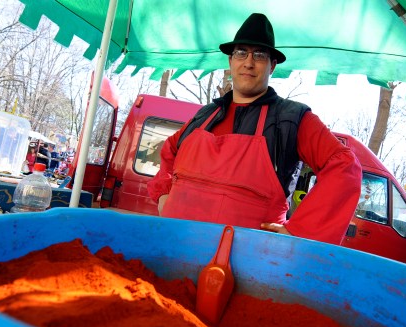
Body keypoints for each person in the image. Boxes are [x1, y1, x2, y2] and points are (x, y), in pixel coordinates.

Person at [147, 13, 362, 244]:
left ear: (272, 66)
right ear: (231, 61)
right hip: (172, 247)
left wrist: (300, 231)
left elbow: (344, 167)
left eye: (259, 55)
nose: (248, 62)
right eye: (241, 52)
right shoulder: (204, 116)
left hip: (248, 266)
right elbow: (169, 150)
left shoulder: (292, 119)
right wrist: (163, 193)